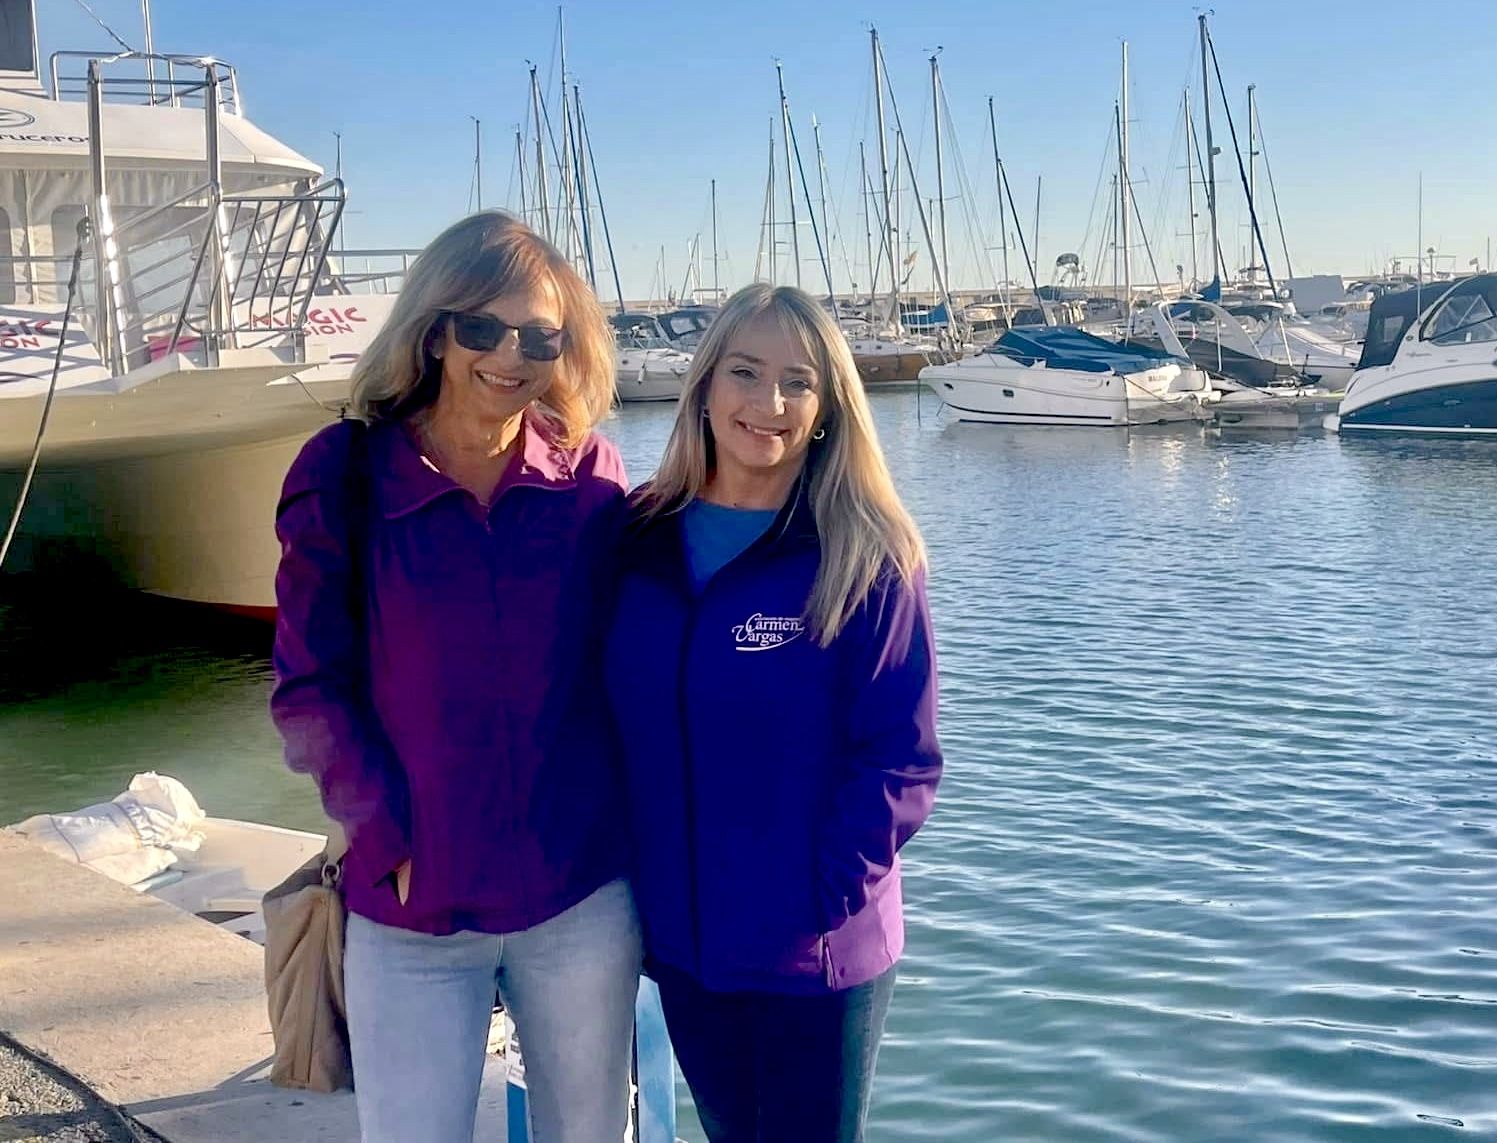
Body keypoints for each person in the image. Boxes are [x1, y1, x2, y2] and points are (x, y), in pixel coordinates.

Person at [270, 210, 639, 1143]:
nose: (511, 356)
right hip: (413, 906)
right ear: (435, 331)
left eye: (539, 337)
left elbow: (632, 659)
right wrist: (382, 834)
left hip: (578, 896)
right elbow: (308, 687)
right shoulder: (344, 474)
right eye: (483, 327)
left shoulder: (591, 477)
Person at [605, 283, 943, 1141]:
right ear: (704, 386)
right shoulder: (637, 539)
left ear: (827, 409)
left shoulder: (865, 552)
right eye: (746, 372)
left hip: (814, 953)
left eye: (798, 382)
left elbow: (900, 757)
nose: (770, 402)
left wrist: (817, 898)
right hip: (683, 946)